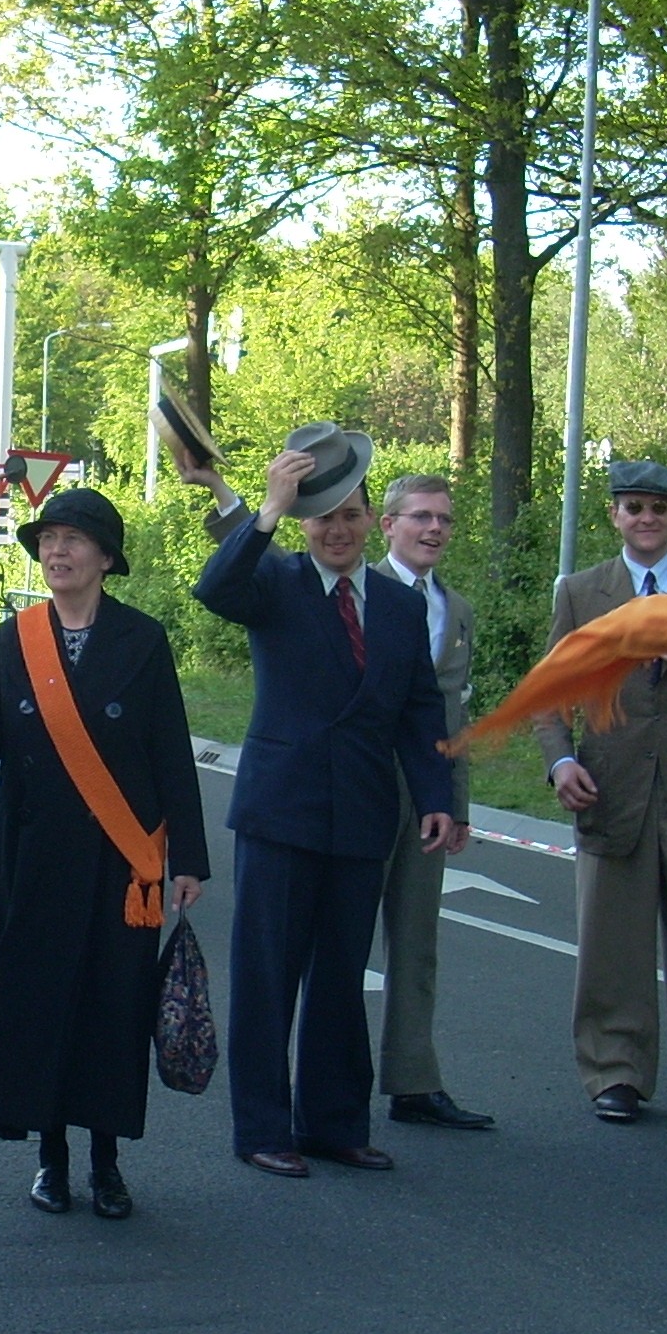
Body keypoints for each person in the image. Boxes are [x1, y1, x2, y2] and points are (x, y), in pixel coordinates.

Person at [193, 425, 455, 1179]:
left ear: (371, 519)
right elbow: (216, 589)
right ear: (303, 524)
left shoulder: (400, 606)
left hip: (362, 815)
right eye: (322, 518)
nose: (337, 530)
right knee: (268, 977)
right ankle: (262, 1128)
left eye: (349, 514)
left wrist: (436, 796)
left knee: (342, 979)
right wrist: (268, 509)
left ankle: (335, 1123)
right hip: (281, 812)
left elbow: (420, 708)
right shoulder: (274, 582)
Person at [0, 487, 208, 1218]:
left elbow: (169, 752)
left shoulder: (143, 640)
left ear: (105, 557)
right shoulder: (16, 638)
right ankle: (51, 1159)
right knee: (42, 1007)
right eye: (48, 540)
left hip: (121, 862)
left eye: (73, 539)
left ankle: (107, 1162)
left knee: (113, 1009)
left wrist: (188, 857)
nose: (56, 551)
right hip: (34, 858)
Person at [533, 461, 667, 1127]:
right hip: (611, 789)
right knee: (612, 945)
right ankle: (615, 1069)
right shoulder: (582, 593)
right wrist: (560, 761)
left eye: (659, 508)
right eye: (634, 508)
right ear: (614, 516)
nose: (646, 519)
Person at [368, 473, 490, 1130]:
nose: (434, 529)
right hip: (361, 789)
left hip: (427, 799)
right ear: (388, 525)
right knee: (341, 942)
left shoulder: (456, 609)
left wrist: (457, 803)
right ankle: (329, 1086)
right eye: (420, 517)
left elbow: (454, 716)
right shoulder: (355, 592)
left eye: (443, 518)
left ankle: (413, 1081)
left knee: (416, 945)